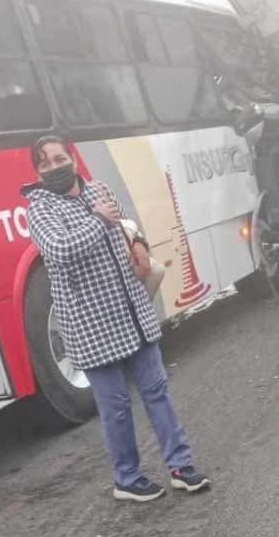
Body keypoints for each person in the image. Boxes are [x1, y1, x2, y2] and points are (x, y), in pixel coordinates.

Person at [23, 135, 210, 502]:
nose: (53, 167)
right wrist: (96, 220)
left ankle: (181, 466)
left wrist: (138, 241)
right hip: (92, 326)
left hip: (133, 313)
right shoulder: (40, 209)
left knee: (157, 392)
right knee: (116, 408)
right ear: (38, 171)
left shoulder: (99, 190)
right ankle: (127, 477)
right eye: (44, 164)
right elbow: (59, 251)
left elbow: (125, 224)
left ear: (72, 158)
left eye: (59, 158)